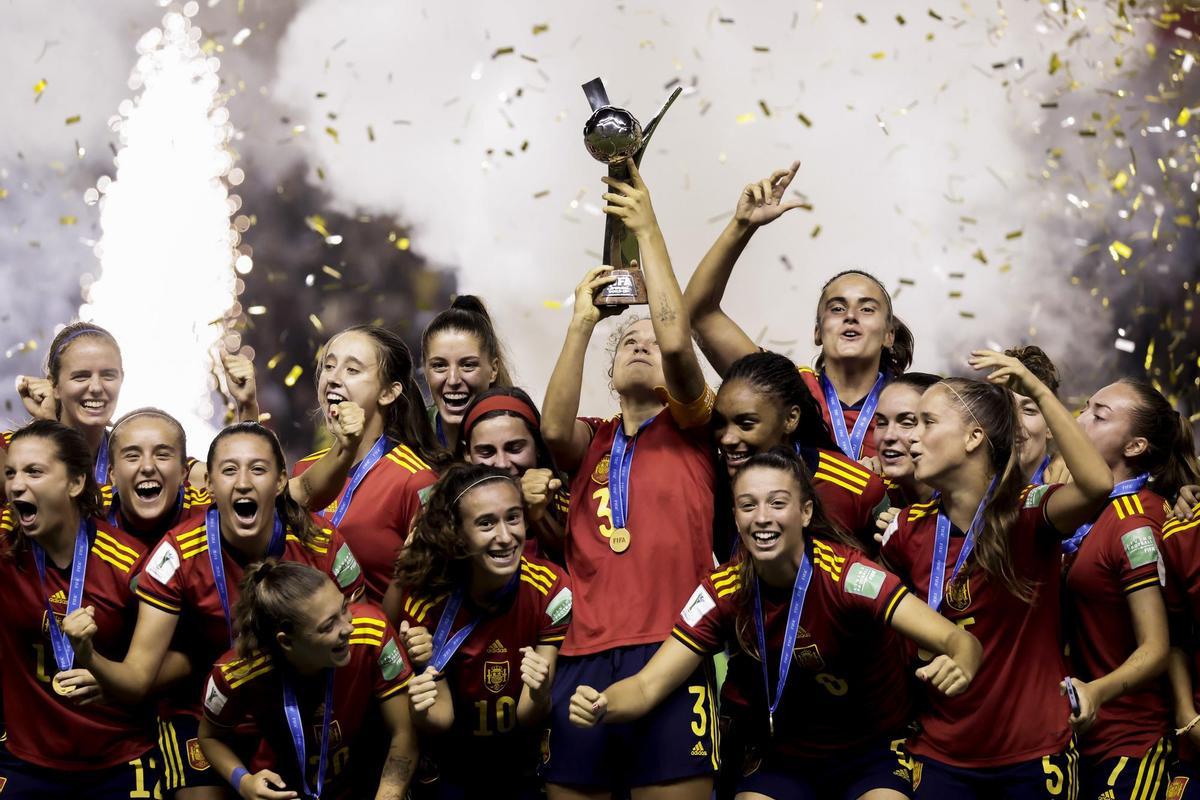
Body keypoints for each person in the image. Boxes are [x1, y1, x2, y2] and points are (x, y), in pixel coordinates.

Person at [569, 448, 981, 800]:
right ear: (735, 515)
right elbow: (645, 686)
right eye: (748, 506)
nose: (762, 518)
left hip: (872, 750)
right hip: (783, 756)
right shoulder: (721, 590)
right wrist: (604, 703)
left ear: (805, 512)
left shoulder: (848, 575)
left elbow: (955, 640)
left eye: (777, 503)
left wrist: (962, 658)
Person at [64, 421, 365, 800]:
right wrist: (89, 656)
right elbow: (137, 679)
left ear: (280, 480)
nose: (242, 482)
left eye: (258, 469)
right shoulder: (177, 555)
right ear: (208, 486)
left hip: (299, 707)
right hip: (199, 712)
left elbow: (364, 634)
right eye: (228, 470)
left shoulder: (322, 543)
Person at [540, 159, 717, 799]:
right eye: (626, 342)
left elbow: (676, 342)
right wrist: (584, 323)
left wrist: (646, 228)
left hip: (672, 651)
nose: (641, 345)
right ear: (610, 372)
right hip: (582, 652)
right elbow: (551, 431)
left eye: (649, 337)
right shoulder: (594, 437)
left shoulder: (698, 425)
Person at [879, 353, 1113, 798]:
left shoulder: (1027, 512)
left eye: (927, 422)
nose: (911, 438)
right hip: (941, 754)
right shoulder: (904, 529)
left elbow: (1097, 485)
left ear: (973, 436)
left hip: (1034, 753)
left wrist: (1037, 390)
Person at [683, 163, 913, 461]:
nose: (850, 316)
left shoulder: (914, 403)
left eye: (867, 308)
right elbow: (698, 314)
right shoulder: (785, 389)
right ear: (817, 331)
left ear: (888, 334)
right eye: (837, 308)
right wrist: (742, 226)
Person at [383, 464, 572, 798]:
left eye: (513, 518)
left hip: (523, 767)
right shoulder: (428, 600)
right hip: (455, 771)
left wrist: (540, 691)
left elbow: (528, 716)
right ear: (456, 533)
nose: (504, 536)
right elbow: (440, 718)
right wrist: (421, 707)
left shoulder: (550, 588)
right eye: (486, 523)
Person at [0, 420, 160, 796]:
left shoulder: (129, 564)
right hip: (25, 761)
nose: (16, 484)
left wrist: (109, 677)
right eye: (10, 473)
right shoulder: (5, 552)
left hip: (119, 758)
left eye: (34, 471)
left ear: (75, 483)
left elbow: (182, 657)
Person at [1063, 378, 1191, 799]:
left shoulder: (1134, 522)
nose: (1081, 419)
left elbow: (1157, 647)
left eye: (1099, 416)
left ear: (1135, 447)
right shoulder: (1091, 512)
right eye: (1085, 407)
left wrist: (1094, 693)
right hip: (1086, 741)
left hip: (1132, 742)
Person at [199, 560, 418, 800]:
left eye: (344, 608)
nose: (348, 628)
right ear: (287, 642)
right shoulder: (236, 672)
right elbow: (209, 738)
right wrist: (243, 782)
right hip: (284, 789)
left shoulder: (372, 631)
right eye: (328, 626)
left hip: (363, 781)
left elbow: (404, 731)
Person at [293, 325, 447, 602]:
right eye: (328, 366)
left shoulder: (414, 480)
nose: (333, 378)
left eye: (352, 370)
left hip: (377, 640)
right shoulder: (305, 471)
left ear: (388, 393)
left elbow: (431, 596)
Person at [712, 350, 887, 550]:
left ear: (790, 419)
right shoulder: (711, 482)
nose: (727, 438)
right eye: (719, 423)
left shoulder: (856, 488)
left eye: (746, 424)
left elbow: (886, 570)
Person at [5, 323, 124, 497]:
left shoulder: (135, 460)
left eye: (108, 375)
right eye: (81, 376)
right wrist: (49, 426)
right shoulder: (8, 452)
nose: (96, 387)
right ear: (54, 385)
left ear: (122, 378)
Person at [455, 387, 570, 559]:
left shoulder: (572, 509)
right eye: (486, 452)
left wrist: (537, 515)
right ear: (467, 455)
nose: (502, 464)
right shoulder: (448, 515)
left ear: (538, 446)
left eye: (515, 448)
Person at [106, 407, 211, 545]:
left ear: (183, 471)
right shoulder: (90, 513)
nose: (148, 467)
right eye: (132, 456)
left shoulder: (212, 514)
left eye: (162, 455)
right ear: (113, 475)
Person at [422, 295, 514, 449]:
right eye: (439, 365)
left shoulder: (521, 434)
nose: (453, 380)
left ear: (493, 370)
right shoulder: (411, 437)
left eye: (468, 365)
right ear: (425, 371)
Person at [868, 372, 940, 508]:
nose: (888, 436)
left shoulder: (977, 505)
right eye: (881, 422)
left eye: (907, 423)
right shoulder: (878, 492)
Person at [1004, 346, 1061, 486]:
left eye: (1029, 410)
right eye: (1005, 406)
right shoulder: (975, 485)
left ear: (1050, 427)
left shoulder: (1064, 491)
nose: (1016, 420)